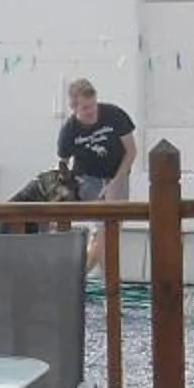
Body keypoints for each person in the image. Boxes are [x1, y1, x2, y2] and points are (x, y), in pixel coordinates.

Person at [56, 77, 137, 272]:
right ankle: (108, 288)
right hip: (88, 178)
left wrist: (116, 183)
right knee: (107, 227)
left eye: (92, 106)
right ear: (74, 108)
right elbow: (63, 164)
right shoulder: (69, 131)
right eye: (85, 109)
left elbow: (131, 151)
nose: (91, 112)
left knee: (110, 231)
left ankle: (78, 278)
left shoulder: (115, 115)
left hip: (117, 173)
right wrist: (63, 191)